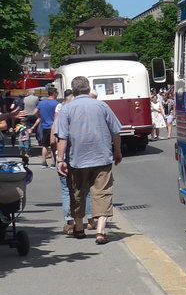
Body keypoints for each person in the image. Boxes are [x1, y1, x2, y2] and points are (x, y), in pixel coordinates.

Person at [55, 75, 122, 244]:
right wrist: (118, 151)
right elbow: (115, 131)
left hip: (77, 159)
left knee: (77, 193)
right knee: (103, 193)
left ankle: (79, 228)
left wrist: (60, 160)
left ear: (73, 90)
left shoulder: (66, 109)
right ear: (89, 88)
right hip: (102, 157)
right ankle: (100, 232)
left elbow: (62, 138)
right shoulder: (102, 106)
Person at [50, 89, 93, 234]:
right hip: (81, 158)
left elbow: (52, 140)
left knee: (66, 191)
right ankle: (90, 220)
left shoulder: (59, 118)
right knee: (85, 189)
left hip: (64, 158)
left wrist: (57, 157)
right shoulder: (79, 119)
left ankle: (70, 222)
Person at [35, 85, 60, 168]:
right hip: (54, 126)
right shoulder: (57, 104)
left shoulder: (41, 103)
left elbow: (34, 112)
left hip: (44, 126)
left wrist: (40, 116)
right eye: (57, 93)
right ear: (54, 93)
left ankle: (44, 162)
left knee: (44, 145)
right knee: (53, 145)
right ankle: (53, 163)